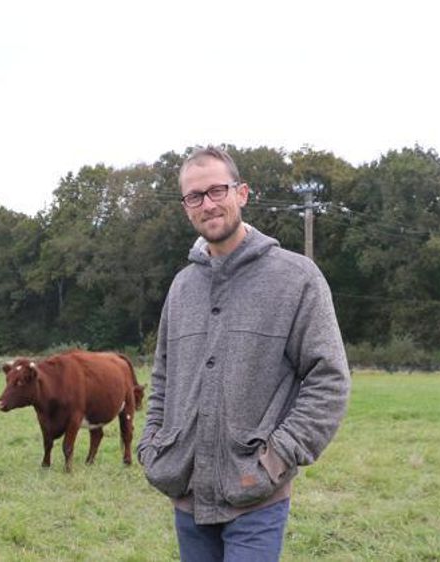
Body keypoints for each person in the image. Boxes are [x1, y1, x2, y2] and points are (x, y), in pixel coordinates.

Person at [137, 146, 351, 561]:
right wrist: (153, 448)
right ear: (186, 208)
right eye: (195, 197)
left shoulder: (296, 278)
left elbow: (329, 379)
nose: (208, 204)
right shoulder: (182, 287)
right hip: (187, 492)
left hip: (255, 496)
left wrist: (277, 457)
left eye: (217, 190)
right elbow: (163, 376)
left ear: (243, 193)